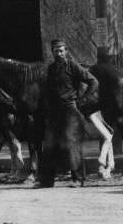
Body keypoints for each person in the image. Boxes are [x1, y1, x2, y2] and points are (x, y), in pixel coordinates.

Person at [39, 39, 100, 187]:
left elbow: (93, 82)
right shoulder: (51, 69)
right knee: (49, 144)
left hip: (70, 110)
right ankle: (47, 181)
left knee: (72, 143)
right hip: (54, 111)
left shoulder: (73, 66)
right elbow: (48, 90)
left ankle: (77, 179)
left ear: (66, 51)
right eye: (56, 51)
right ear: (52, 52)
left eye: (61, 50)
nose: (59, 53)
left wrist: (82, 100)